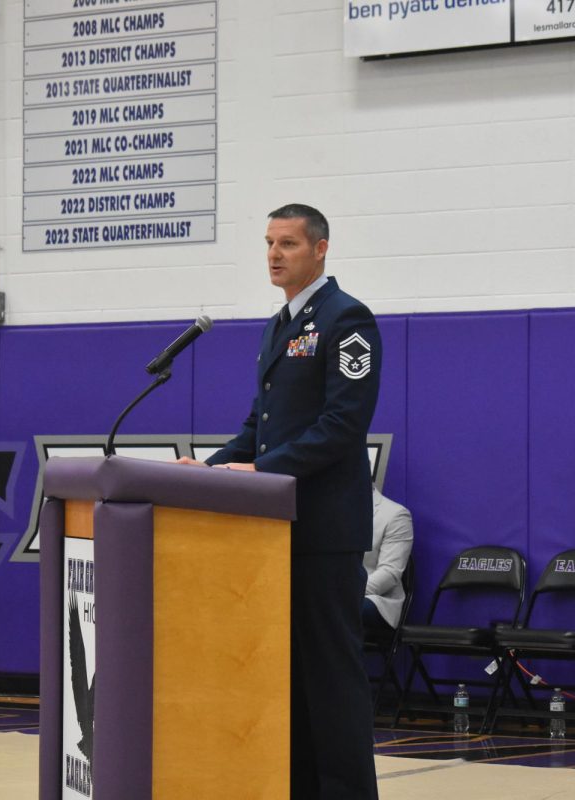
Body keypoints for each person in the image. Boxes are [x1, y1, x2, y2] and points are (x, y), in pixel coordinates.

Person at [178, 203, 381, 799]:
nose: (273, 254)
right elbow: (258, 425)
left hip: (324, 531)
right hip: (274, 531)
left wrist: (260, 470)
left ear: (320, 249)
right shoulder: (279, 324)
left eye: (287, 244)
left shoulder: (348, 319)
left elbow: (343, 425)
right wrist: (209, 471)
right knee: (286, 674)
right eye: (269, 242)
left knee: (331, 675)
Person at [363, 486, 413, 636]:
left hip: (376, 598)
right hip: (332, 596)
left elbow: (389, 573)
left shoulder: (395, 514)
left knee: (336, 610)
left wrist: (345, 594)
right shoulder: (329, 512)